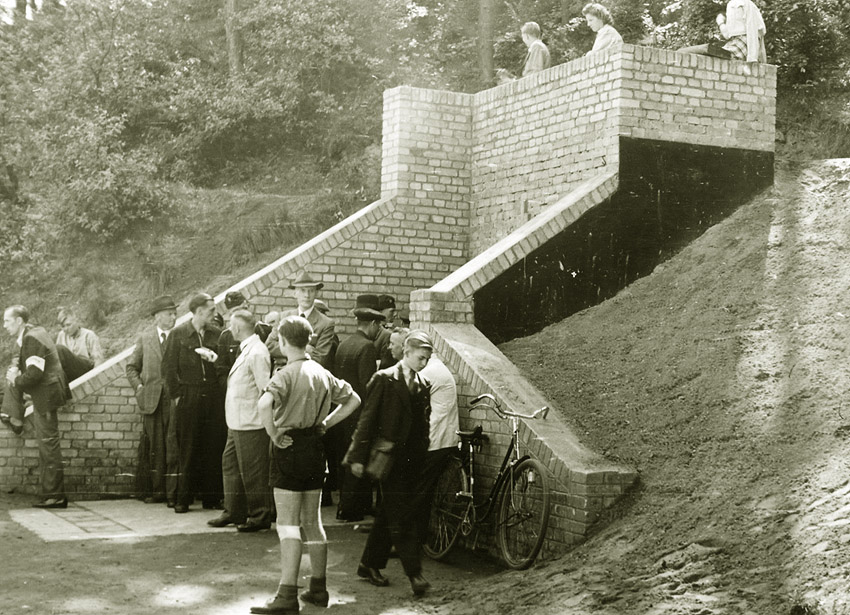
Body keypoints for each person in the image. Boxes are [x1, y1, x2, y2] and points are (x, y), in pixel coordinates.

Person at [252, 315, 360, 614]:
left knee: (288, 525)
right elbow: (353, 400)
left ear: (283, 341)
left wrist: (274, 434)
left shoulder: (285, 374)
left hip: (289, 449)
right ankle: (318, 588)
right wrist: (326, 423)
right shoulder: (321, 372)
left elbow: (264, 404)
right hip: (315, 449)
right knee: (313, 522)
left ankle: (287, 594)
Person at [344, 330, 434, 597]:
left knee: (388, 513)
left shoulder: (423, 384)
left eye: (427, 359)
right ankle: (415, 574)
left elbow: (423, 426)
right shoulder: (384, 379)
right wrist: (357, 457)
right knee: (402, 515)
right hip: (387, 458)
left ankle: (368, 564)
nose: (424, 363)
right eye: (420, 358)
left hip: (410, 461)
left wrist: (422, 454)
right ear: (407, 352)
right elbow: (367, 420)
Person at [208, 309, 273, 533]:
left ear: (236, 328)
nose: (229, 329)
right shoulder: (248, 348)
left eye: (231, 325)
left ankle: (260, 515)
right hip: (236, 421)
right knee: (231, 466)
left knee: (253, 472)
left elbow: (265, 389)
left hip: (251, 423)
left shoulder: (257, 352)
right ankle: (233, 511)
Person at [161, 292, 226, 514]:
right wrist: (178, 396)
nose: (215, 313)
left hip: (213, 397)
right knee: (187, 448)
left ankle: (212, 498)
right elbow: (168, 369)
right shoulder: (178, 334)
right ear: (198, 311)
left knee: (213, 446)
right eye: (211, 310)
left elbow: (223, 365)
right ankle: (183, 499)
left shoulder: (217, 334)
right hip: (189, 396)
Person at [3, 305, 70, 508]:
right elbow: (24, 358)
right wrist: (16, 368)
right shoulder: (32, 333)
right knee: (48, 446)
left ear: (19, 321)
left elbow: (34, 374)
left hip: (46, 398)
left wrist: (15, 380)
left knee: (48, 447)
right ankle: (52, 494)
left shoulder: (31, 338)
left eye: (7, 321)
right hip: (47, 395)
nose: (4, 325)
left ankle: (55, 496)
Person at [332, 295, 384, 522]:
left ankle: (350, 505)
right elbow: (367, 385)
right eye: (378, 325)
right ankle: (351, 509)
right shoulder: (367, 347)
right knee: (357, 458)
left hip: (343, 411)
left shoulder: (344, 344)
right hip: (359, 413)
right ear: (371, 324)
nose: (379, 330)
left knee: (346, 458)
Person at [125, 294, 179, 506]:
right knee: (156, 447)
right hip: (151, 400)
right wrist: (140, 388)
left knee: (173, 445)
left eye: (174, 314)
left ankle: (173, 493)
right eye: (169, 314)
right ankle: (158, 490)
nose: (173, 317)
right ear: (157, 316)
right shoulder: (145, 339)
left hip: (173, 399)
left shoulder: (179, 337)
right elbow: (131, 367)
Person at [415, 351, 460, 541]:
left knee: (417, 490)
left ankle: (413, 539)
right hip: (441, 439)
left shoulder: (430, 372)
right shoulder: (435, 368)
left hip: (436, 442)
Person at [266, 271, 336, 371]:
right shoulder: (283, 317)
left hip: (306, 375)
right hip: (281, 373)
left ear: (316, 293)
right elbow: (269, 346)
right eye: (303, 290)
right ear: (295, 293)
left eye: (311, 291)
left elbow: (320, 359)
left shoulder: (325, 323)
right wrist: (303, 349)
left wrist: (284, 356)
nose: (307, 295)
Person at [677, 0, 766, 63]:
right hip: (732, 42)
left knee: (714, 53)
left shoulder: (747, 4)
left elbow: (752, 29)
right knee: (688, 52)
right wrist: (721, 23)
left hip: (746, 42)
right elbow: (727, 35)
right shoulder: (730, 5)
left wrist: (752, 58)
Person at [373, 295, 397, 370]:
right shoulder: (387, 334)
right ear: (381, 312)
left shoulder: (383, 331)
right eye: (391, 311)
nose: (395, 314)